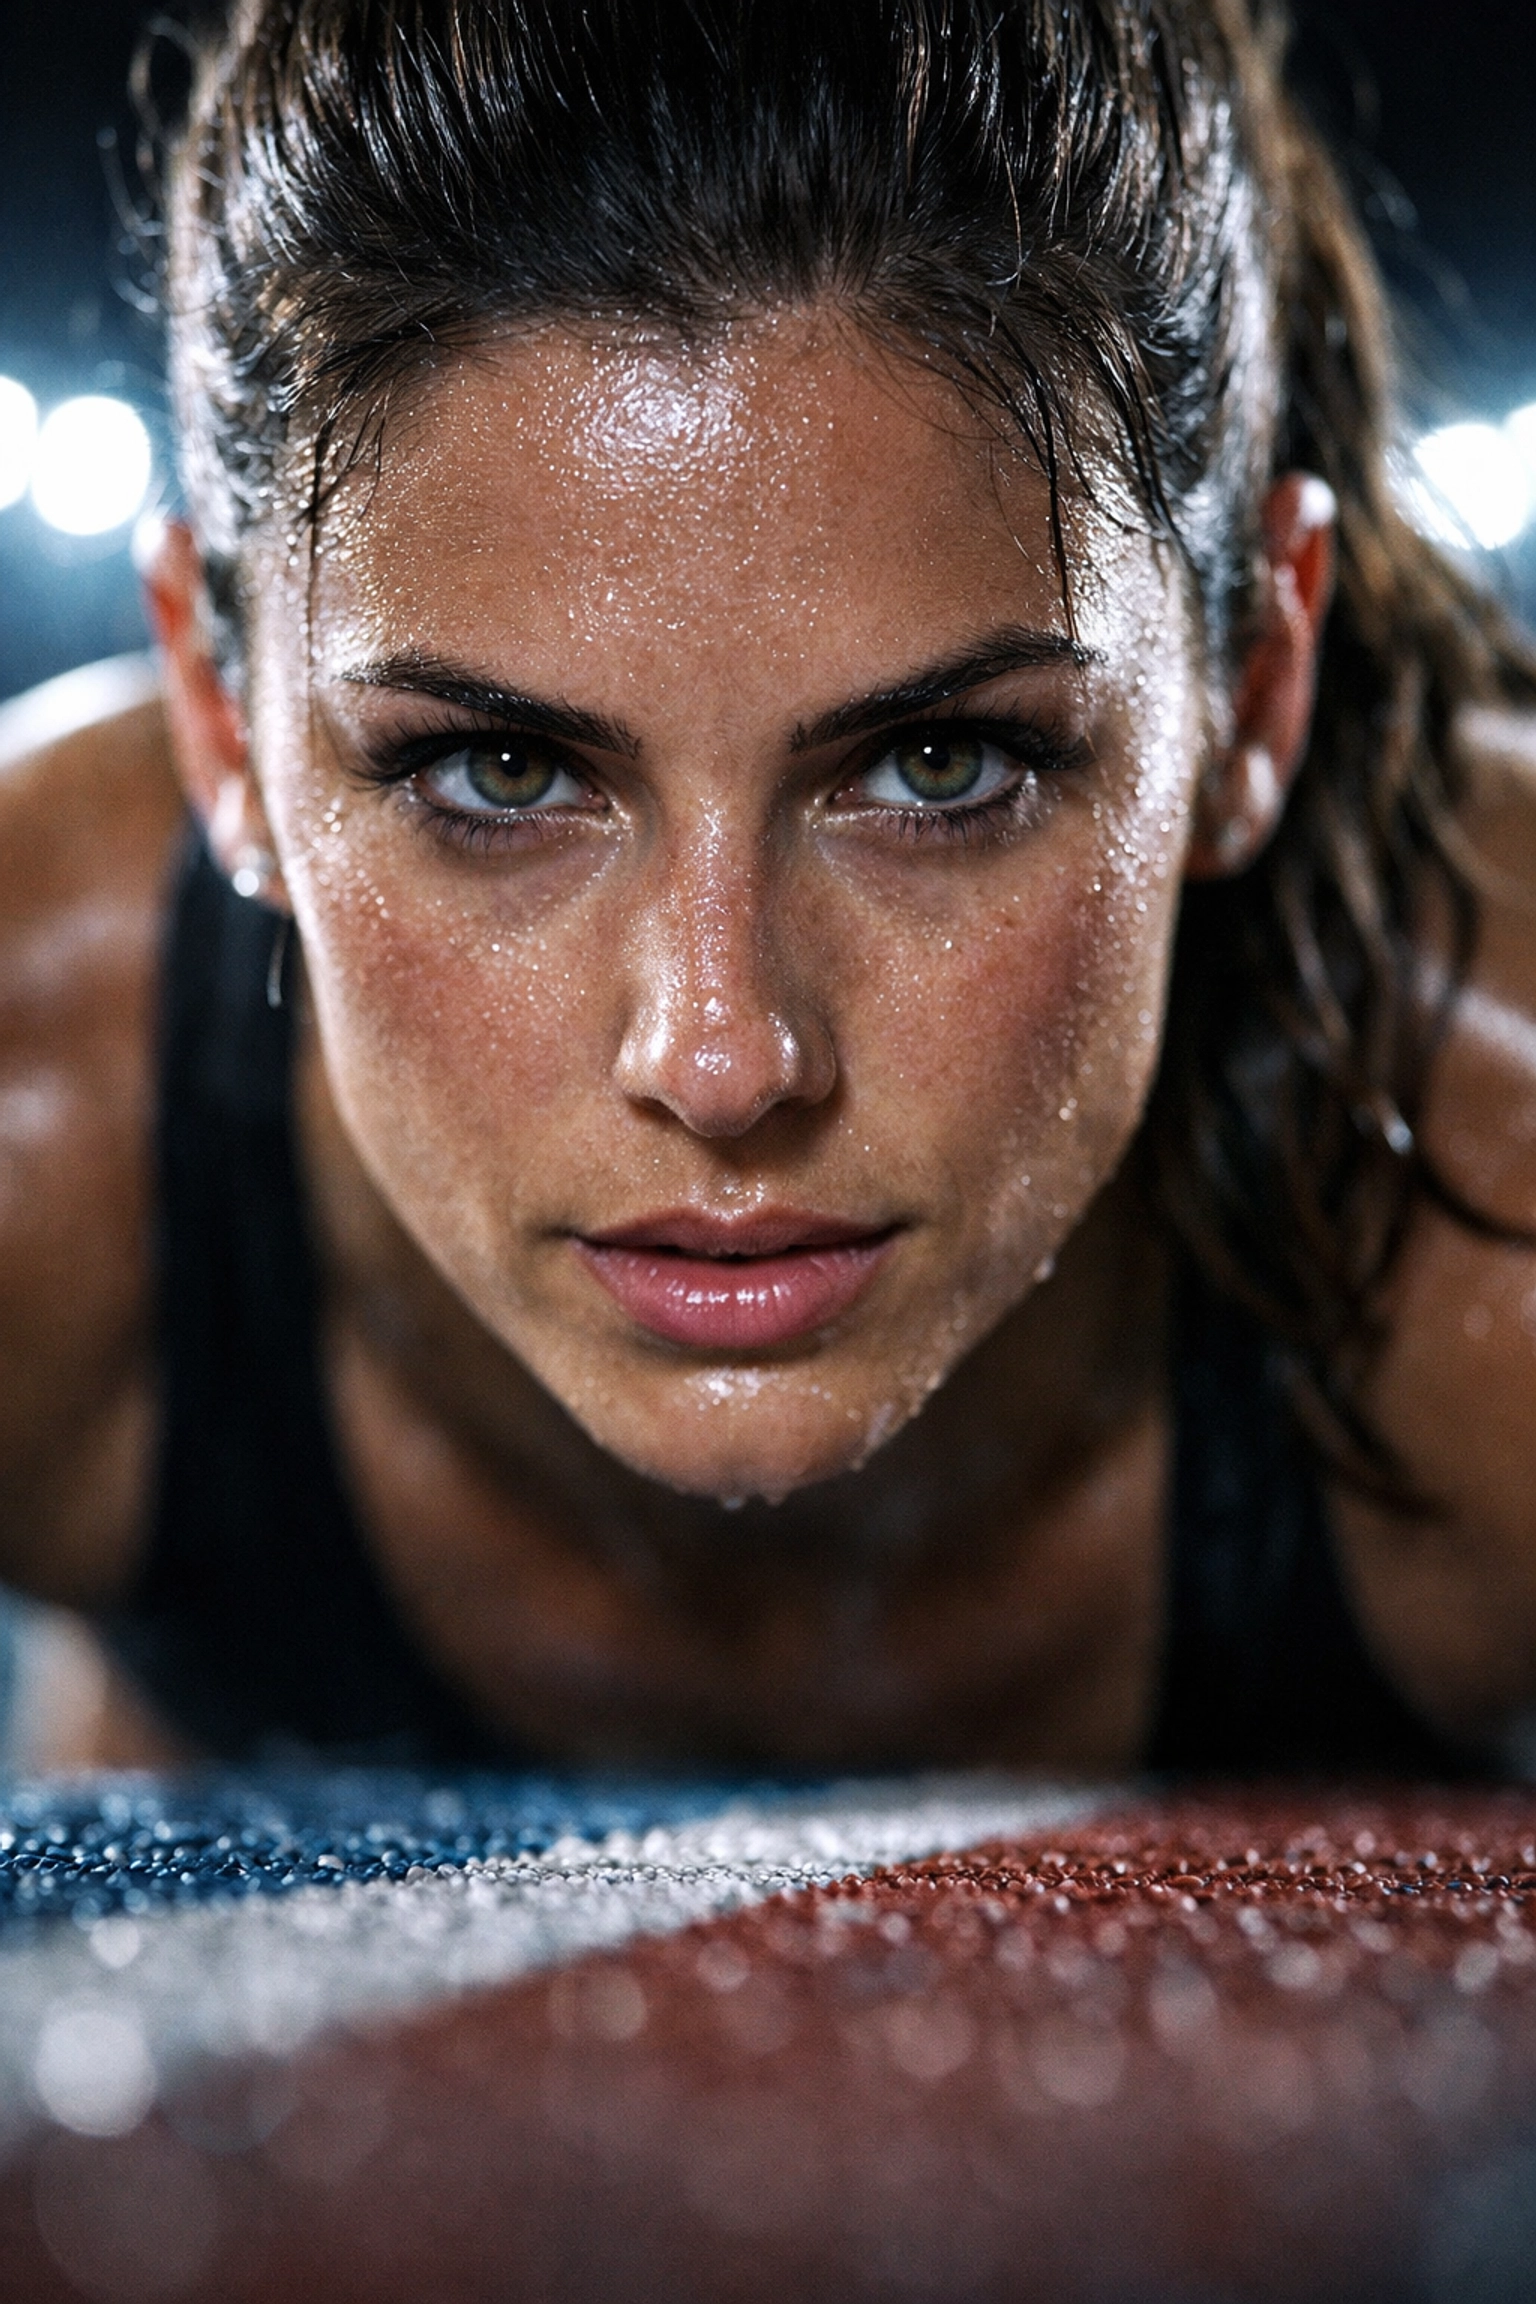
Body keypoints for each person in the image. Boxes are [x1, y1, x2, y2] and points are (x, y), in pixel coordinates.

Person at [0, 0, 1532, 1777]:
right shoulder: (43, 1103)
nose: (723, 1057)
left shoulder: (1487, 1200)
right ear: (217, 720)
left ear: (1254, 686)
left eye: (938, 767)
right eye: (502, 775)